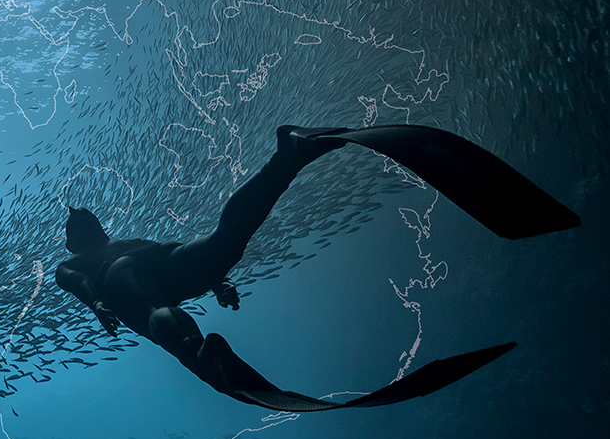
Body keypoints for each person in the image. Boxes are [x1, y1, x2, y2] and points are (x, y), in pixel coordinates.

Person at [55, 124, 578, 411]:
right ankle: (289, 156)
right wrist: (215, 279)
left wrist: (100, 301)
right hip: (163, 259)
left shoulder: (76, 260)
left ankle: (196, 351)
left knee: (150, 312)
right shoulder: (113, 242)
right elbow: (159, 258)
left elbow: (81, 281)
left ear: (80, 237)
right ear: (93, 231)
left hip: (129, 276)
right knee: (227, 240)